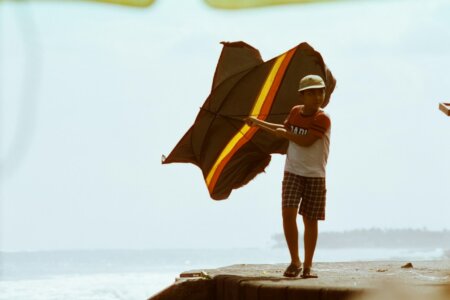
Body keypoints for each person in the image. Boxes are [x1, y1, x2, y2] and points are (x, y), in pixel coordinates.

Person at [246, 74, 331, 278]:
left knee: (310, 220)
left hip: (315, 175)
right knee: (288, 213)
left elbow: (306, 141)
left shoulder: (323, 118)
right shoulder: (294, 112)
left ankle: (308, 266)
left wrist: (282, 133)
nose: (317, 96)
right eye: (312, 93)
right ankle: (295, 261)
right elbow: (284, 129)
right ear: (302, 96)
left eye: (320, 92)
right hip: (293, 171)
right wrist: (258, 123)